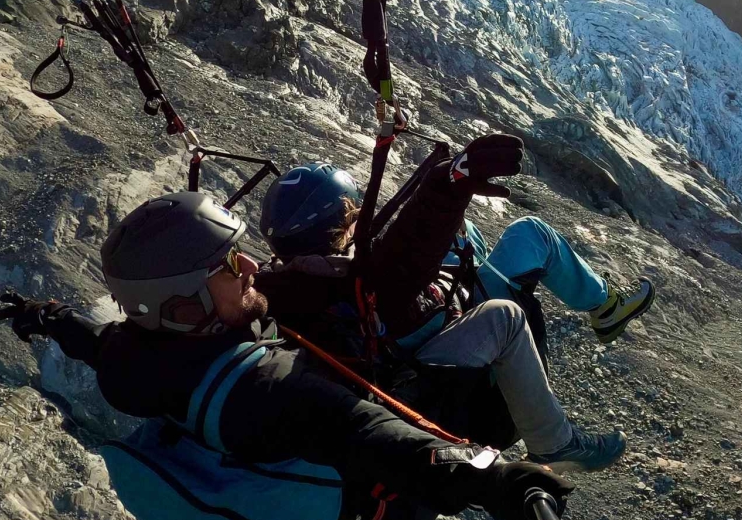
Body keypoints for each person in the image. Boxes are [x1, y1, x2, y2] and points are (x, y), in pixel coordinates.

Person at [0, 189, 575, 520]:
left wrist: (48, 318)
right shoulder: (265, 388)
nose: (249, 266)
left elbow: (99, 344)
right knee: (511, 318)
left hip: (307, 454)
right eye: (226, 264)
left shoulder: (137, 354)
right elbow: (368, 433)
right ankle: (548, 438)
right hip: (386, 506)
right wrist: (490, 477)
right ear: (184, 302)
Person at [255, 136, 636, 473]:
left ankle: (603, 307)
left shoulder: (299, 279)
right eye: (354, 217)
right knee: (527, 247)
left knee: (466, 233)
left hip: (418, 336)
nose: (362, 221)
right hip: (434, 363)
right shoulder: (356, 279)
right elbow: (399, 273)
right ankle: (557, 443)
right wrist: (445, 192)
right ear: (336, 228)